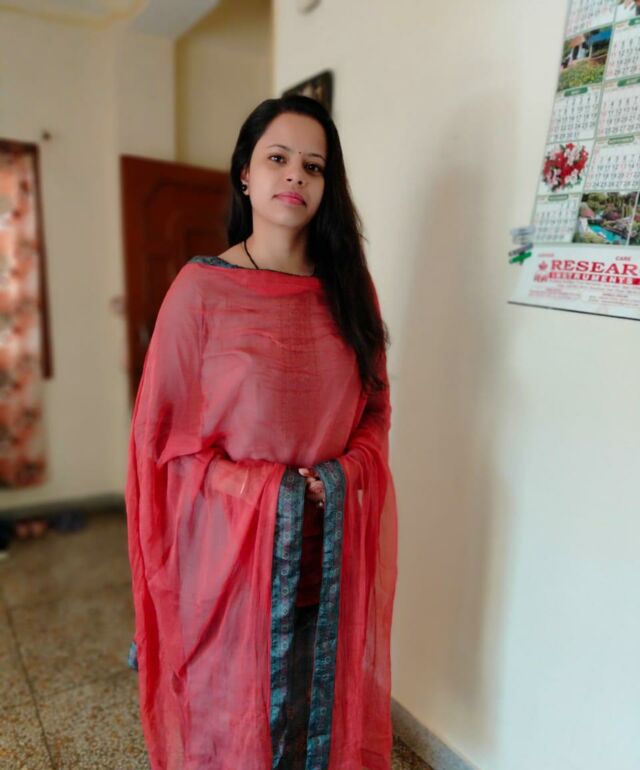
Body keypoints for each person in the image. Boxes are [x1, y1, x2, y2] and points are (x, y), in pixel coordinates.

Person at [125, 94, 398, 770]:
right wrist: (265, 490)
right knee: (233, 730)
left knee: (313, 719)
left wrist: (338, 476)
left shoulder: (349, 290)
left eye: (314, 165)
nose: (295, 174)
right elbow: (163, 444)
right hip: (228, 564)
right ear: (245, 173)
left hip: (326, 554)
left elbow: (374, 412)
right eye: (278, 158)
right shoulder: (200, 291)